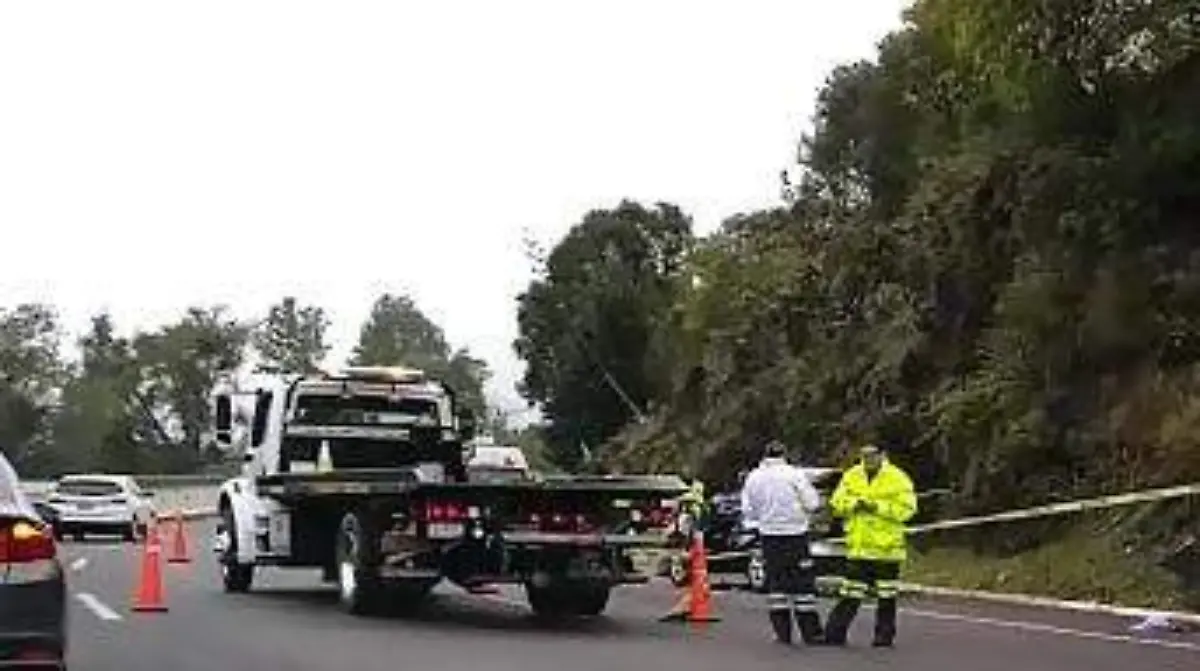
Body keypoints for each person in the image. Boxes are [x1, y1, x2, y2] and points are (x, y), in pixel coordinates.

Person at [823, 443, 917, 648]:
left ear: (883, 455)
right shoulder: (852, 475)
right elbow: (837, 502)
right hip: (859, 547)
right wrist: (853, 505)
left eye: (872, 455)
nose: (867, 459)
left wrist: (877, 507)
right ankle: (834, 634)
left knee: (886, 597)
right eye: (864, 455)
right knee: (850, 593)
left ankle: (883, 637)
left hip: (887, 549)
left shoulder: (897, 478)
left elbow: (907, 510)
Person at [740, 440, 824, 644]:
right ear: (785, 455)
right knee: (802, 584)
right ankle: (810, 633)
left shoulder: (753, 477)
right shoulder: (794, 475)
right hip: (796, 535)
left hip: (769, 536)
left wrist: (765, 518)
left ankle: (782, 633)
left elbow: (748, 510)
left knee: (777, 584)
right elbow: (813, 503)